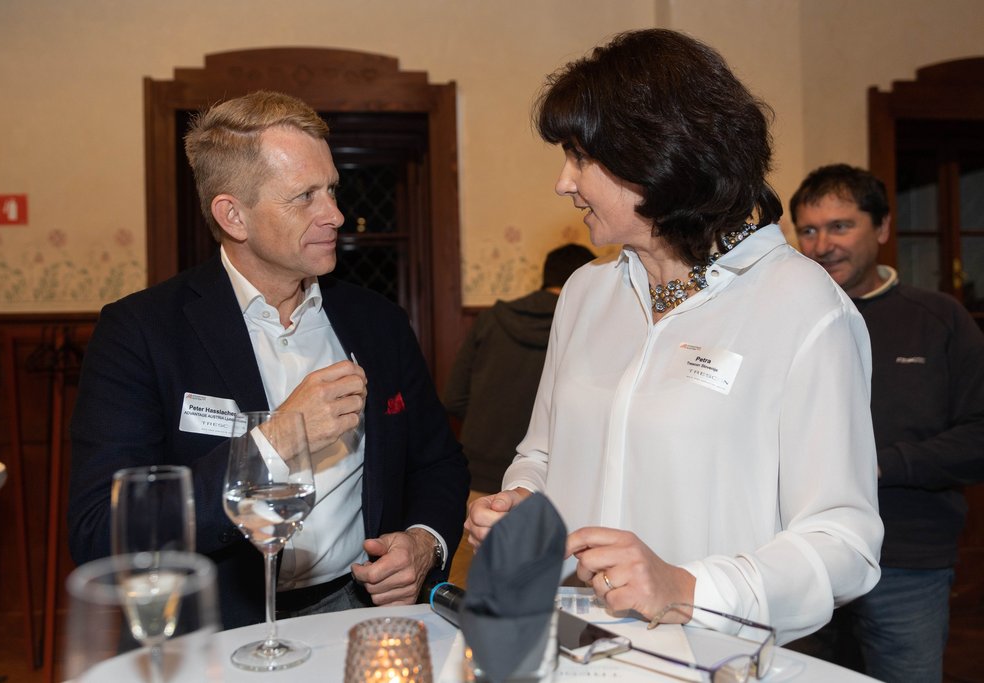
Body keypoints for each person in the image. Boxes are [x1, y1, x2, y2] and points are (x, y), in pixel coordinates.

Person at [464, 29, 883, 645]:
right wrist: (522, 500)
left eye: (580, 157)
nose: (563, 182)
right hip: (571, 642)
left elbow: (845, 543)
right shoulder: (585, 292)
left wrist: (688, 587)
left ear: (658, 156)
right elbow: (544, 454)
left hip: (711, 656)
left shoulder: (802, 306)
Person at [68, 90, 469, 630]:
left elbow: (437, 463)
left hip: (362, 614)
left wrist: (424, 542)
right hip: (219, 628)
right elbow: (101, 532)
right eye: (304, 196)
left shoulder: (379, 322)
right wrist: (278, 439)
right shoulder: (141, 332)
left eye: (332, 189)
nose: (335, 215)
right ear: (233, 215)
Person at [789, 163, 984, 682]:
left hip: (907, 558)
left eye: (840, 226)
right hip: (799, 557)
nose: (822, 245)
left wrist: (878, 465)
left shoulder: (940, 319)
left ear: (882, 228)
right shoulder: (783, 322)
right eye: (808, 230)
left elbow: (979, 436)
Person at [443, 243, 595, 491]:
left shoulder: (491, 319)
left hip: (479, 473)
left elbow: (453, 398)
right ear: (585, 281)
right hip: (549, 479)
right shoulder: (585, 328)